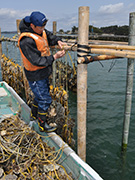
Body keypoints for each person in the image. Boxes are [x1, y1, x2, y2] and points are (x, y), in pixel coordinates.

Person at [18, 11, 66, 132]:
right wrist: (54, 57)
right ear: (32, 26)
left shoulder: (40, 30)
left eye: (44, 26)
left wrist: (58, 40)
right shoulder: (26, 41)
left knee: (39, 97)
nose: (43, 29)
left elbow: (48, 35)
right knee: (45, 99)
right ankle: (42, 124)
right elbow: (36, 61)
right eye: (40, 27)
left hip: (44, 72)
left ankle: (34, 115)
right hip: (35, 75)